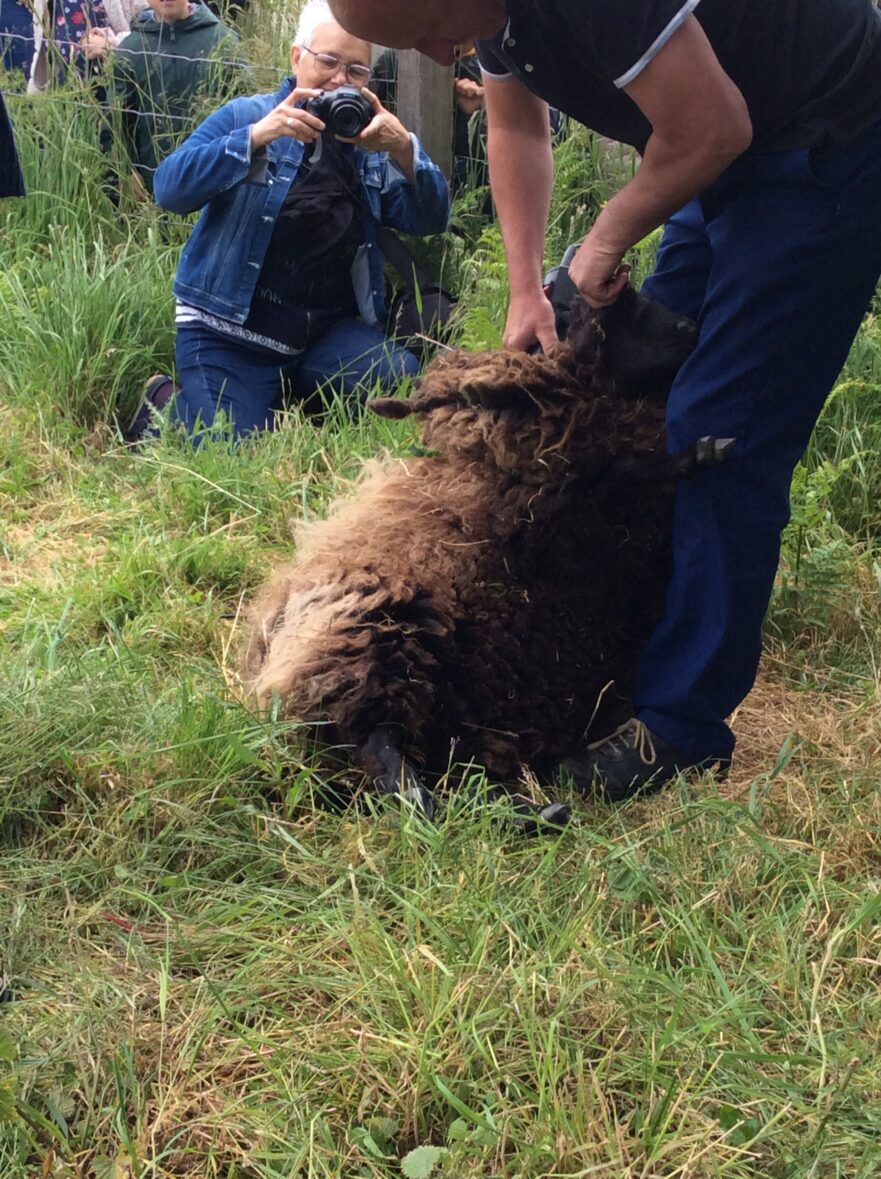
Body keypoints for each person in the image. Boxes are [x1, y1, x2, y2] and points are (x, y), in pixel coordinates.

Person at [329, 0, 881, 798]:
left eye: (425, 31)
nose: (437, 53)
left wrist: (600, 244)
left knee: (722, 430)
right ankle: (643, 634)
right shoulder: (489, 15)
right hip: (731, 137)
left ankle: (678, 725)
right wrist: (527, 291)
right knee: (639, 389)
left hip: (828, 134)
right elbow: (518, 130)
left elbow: (708, 129)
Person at [134, 1, 449, 442]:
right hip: (229, 332)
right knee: (235, 451)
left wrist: (405, 148)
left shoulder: (364, 147)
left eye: (356, 71)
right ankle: (166, 403)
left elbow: (430, 219)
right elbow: (169, 188)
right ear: (296, 57)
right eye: (328, 61)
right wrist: (258, 137)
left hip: (320, 334)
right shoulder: (248, 116)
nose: (340, 78)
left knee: (399, 379)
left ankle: (281, 398)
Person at [107, 0, 239, 195]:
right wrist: (125, 171)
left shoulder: (222, 41)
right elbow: (114, 121)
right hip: (151, 187)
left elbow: (243, 113)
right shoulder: (131, 50)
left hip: (213, 180)